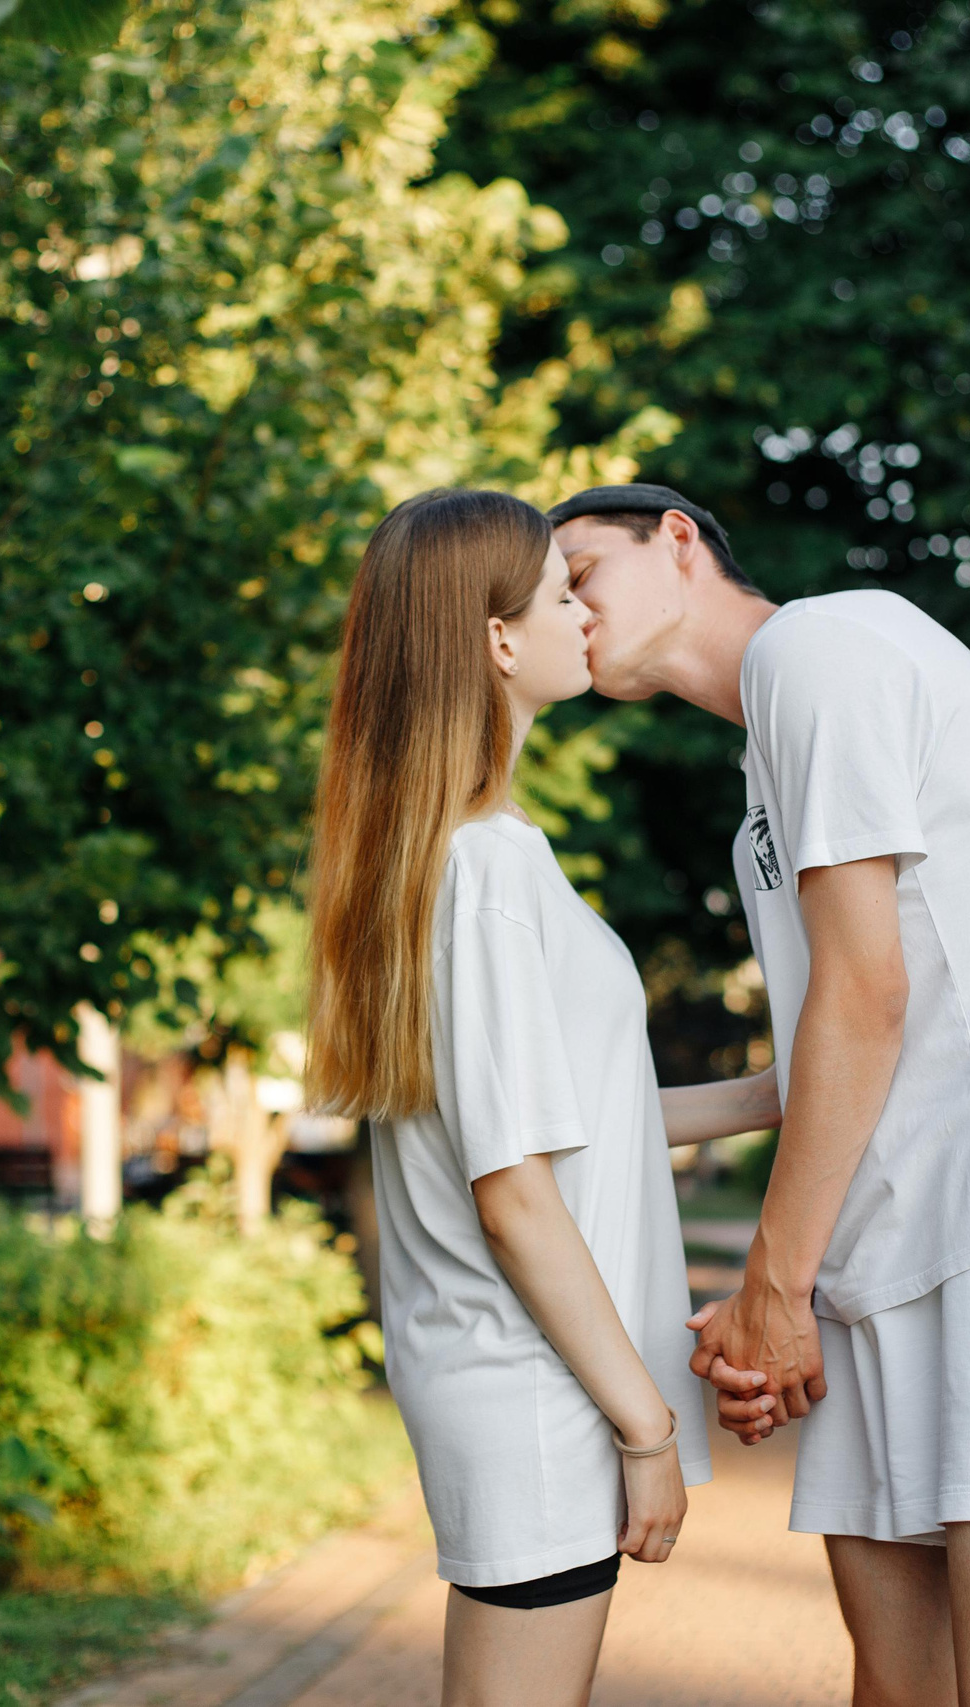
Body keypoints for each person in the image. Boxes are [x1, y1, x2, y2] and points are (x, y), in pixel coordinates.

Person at [548, 483, 970, 1707]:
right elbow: (812, 1067)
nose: (566, 610)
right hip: (878, 1268)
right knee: (896, 1692)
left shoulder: (820, 647)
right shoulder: (759, 803)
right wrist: (540, 1125)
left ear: (677, 539)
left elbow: (864, 999)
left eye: (580, 570)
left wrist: (771, 1289)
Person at [304, 488, 782, 1707]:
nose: (585, 615)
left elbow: (579, 1127)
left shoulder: (457, 855)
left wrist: (775, 1095)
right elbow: (514, 1194)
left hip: (511, 1377)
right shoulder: (490, 867)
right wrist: (647, 1430)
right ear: (498, 640)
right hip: (535, 1390)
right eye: (560, 591)